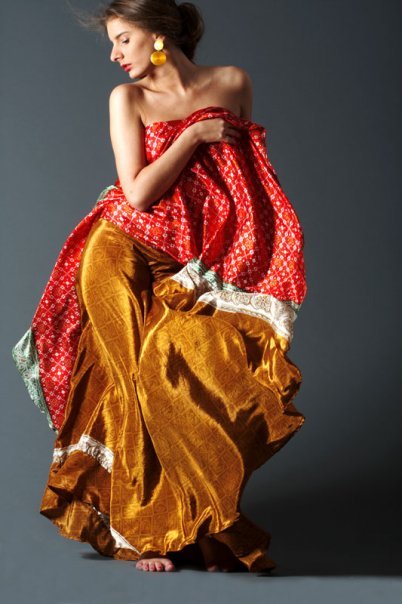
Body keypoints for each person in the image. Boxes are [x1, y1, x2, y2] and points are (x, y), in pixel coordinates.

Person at [11, 0, 307, 574]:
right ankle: (147, 531)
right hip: (120, 248)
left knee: (181, 376)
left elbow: (244, 185)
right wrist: (192, 135)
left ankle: (207, 525)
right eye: (112, 43)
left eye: (123, 39)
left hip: (189, 260)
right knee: (128, 380)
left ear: (159, 34)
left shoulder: (233, 83)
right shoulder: (127, 99)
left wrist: (249, 260)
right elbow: (139, 192)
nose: (114, 54)